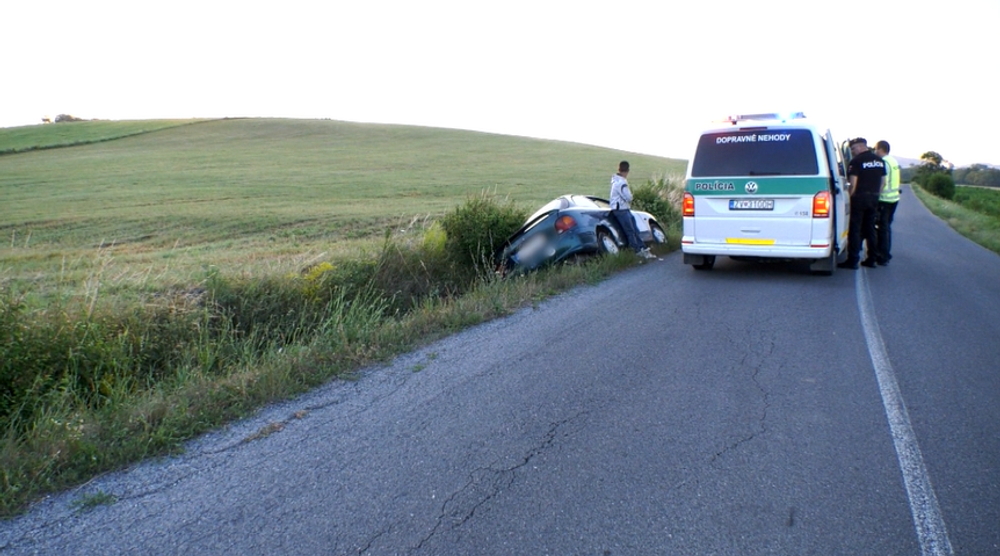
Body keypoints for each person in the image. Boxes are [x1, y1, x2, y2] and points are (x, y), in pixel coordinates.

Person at [839, 138, 886, 269]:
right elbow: (883, 182)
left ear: (860, 147)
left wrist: (848, 197)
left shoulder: (856, 161)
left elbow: (853, 183)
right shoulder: (880, 161)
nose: (852, 152)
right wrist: (876, 194)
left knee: (855, 229)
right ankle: (872, 259)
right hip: (874, 198)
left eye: (853, 149)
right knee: (870, 229)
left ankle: (853, 260)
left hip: (859, 198)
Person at [609, 160, 654, 259]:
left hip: (619, 209)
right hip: (622, 209)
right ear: (627, 171)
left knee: (633, 230)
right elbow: (628, 197)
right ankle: (638, 250)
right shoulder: (621, 182)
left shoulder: (615, 180)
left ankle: (641, 248)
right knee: (631, 230)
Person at [875, 140, 900, 265]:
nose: (875, 152)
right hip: (894, 198)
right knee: (886, 227)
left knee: (882, 228)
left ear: (880, 149)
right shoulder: (893, 160)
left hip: (885, 199)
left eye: (876, 149)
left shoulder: (883, 162)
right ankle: (884, 253)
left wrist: (876, 196)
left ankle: (883, 255)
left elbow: (882, 182)